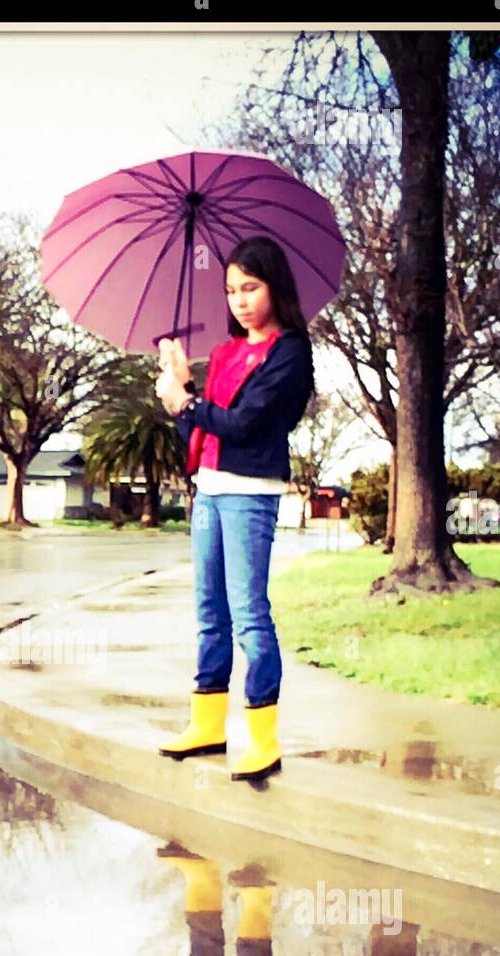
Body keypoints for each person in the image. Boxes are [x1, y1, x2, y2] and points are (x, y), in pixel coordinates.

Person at [154, 234, 315, 782]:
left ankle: (263, 738)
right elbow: (196, 429)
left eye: (251, 286)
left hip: (251, 491)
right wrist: (181, 386)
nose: (240, 300)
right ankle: (208, 723)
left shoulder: (289, 350)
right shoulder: (224, 353)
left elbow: (245, 424)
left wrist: (191, 403)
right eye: (230, 290)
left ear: (275, 286)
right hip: (210, 487)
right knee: (208, 611)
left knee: (248, 613)